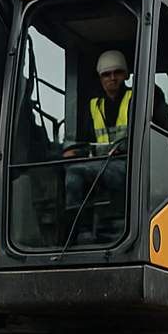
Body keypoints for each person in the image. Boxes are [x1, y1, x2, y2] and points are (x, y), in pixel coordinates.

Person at [61, 49, 135, 241]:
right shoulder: (94, 105)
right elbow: (84, 138)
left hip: (129, 163)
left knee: (108, 175)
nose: (112, 78)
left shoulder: (137, 99)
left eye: (117, 73)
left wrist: (125, 147)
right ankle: (79, 232)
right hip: (99, 163)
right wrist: (72, 150)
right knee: (73, 174)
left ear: (126, 75)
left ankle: (122, 226)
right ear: (101, 78)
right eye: (106, 74)